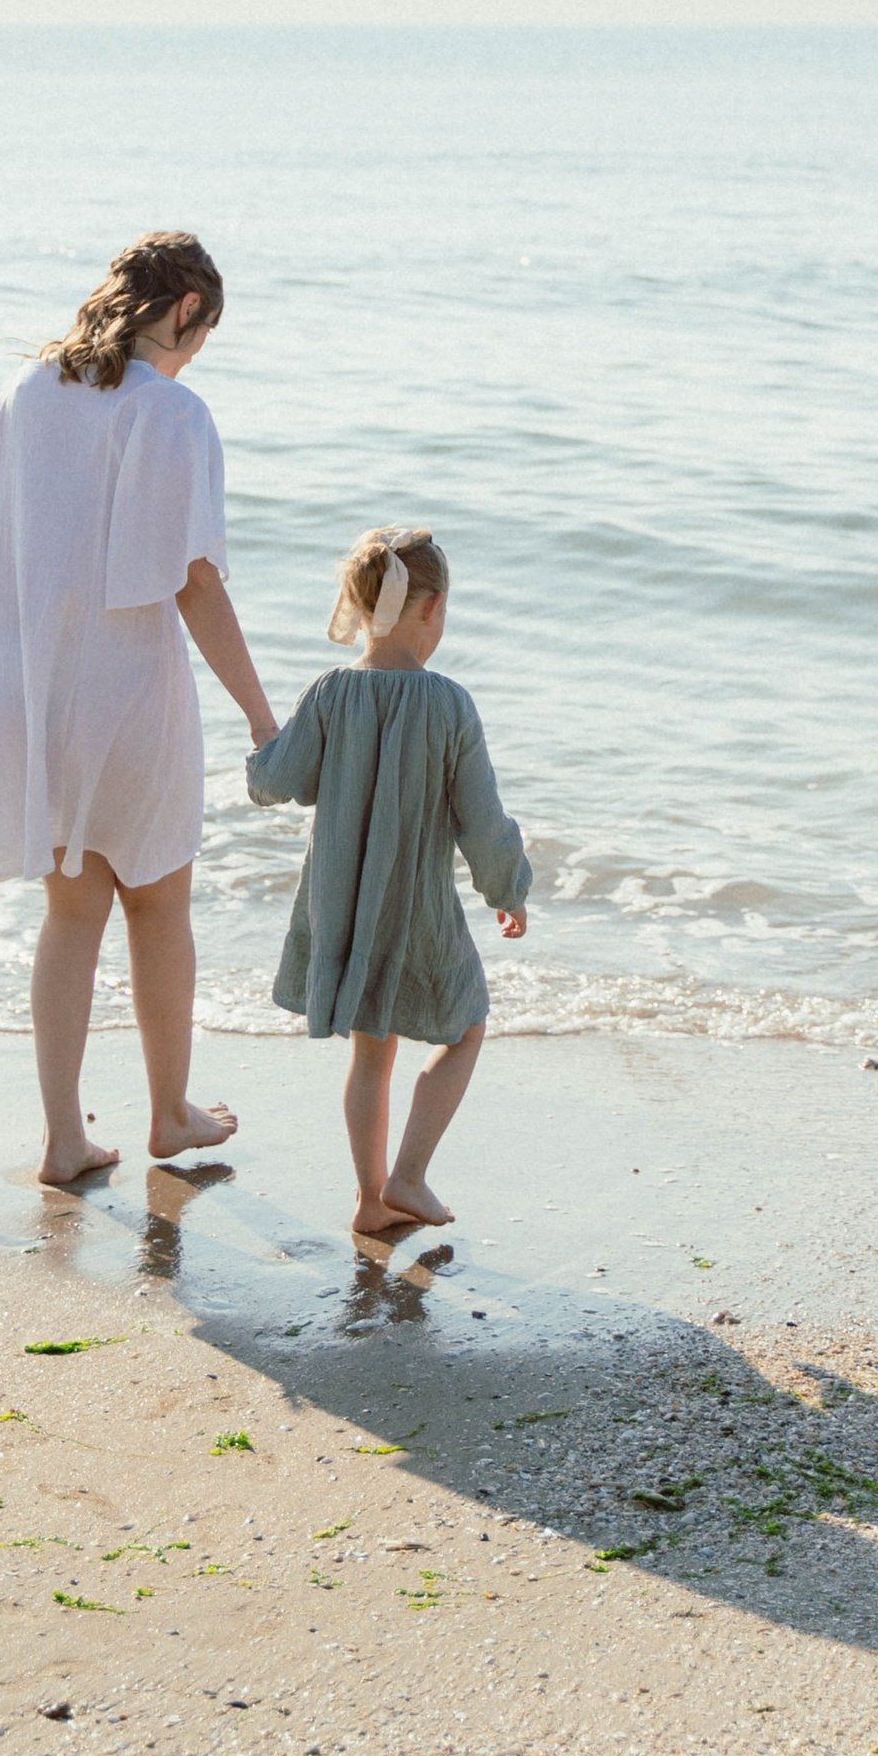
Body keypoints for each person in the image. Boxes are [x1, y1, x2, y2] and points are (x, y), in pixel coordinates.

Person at [0, 229, 278, 1188]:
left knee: (71, 913)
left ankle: (63, 1140)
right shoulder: (171, 412)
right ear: (188, 310)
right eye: (206, 331)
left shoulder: (25, 392)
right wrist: (260, 715)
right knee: (159, 901)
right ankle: (170, 1112)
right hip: (130, 690)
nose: (199, 353)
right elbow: (194, 581)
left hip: (29, 690)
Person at [246, 524, 530, 1241]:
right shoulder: (449, 704)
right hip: (417, 910)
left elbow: (277, 782)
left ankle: (371, 1201)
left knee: (371, 1049)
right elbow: (482, 822)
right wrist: (508, 890)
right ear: (432, 608)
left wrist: (263, 747)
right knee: (466, 1025)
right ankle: (409, 1175)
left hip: (342, 907)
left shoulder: (330, 692)